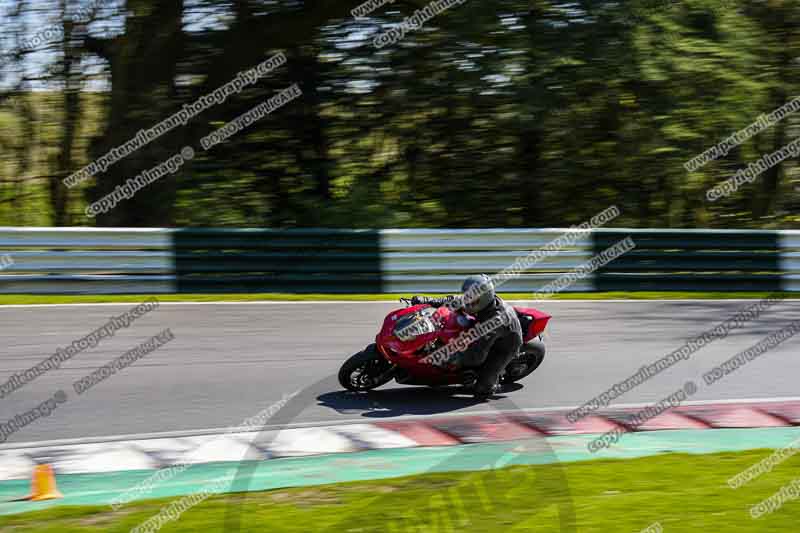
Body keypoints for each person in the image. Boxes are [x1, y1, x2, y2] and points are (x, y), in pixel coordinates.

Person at [410, 274, 523, 400]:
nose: (467, 301)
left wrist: (449, 357)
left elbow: (476, 356)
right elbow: (453, 300)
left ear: (483, 298)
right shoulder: (478, 301)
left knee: (481, 390)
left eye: (471, 299)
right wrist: (427, 300)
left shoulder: (493, 322)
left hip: (507, 344)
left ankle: (491, 386)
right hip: (485, 329)